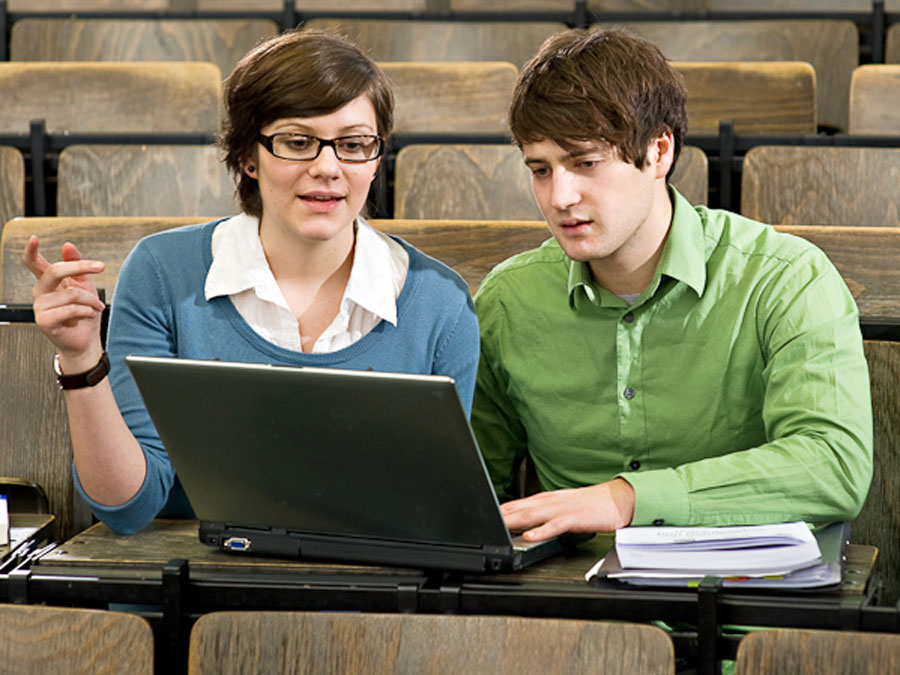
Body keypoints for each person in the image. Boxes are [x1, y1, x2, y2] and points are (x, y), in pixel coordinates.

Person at [24, 29, 480, 535]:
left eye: (353, 145)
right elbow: (129, 506)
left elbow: (430, 511)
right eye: (297, 142)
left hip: (368, 593)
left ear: (376, 159)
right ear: (248, 156)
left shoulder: (442, 304)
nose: (328, 167)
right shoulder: (160, 272)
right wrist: (82, 359)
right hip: (193, 587)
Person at [471, 28, 873, 544]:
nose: (560, 196)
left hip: (737, 602)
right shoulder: (508, 300)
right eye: (540, 170)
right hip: (569, 600)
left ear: (659, 151)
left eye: (585, 162)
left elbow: (832, 466)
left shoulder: (787, 278)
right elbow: (470, 487)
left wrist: (625, 498)